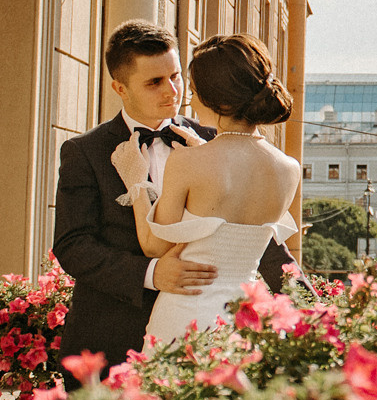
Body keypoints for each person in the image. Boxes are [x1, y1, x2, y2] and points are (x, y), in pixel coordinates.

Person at [54, 21, 288, 367]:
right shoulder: (85, 151)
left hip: (206, 339)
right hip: (110, 342)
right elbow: (73, 245)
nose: (172, 91)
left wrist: (303, 298)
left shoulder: (219, 139)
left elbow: (254, 234)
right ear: (120, 87)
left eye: (176, 76)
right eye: (154, 82)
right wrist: (150, 273)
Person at [116, 32, 304, 341]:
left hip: (184, 317)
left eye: (193, 90)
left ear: (217, 98)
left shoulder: (188, 162)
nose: (189, 99)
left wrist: (136, 182)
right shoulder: (289, 168)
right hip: (244, 322)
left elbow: (153, 245)